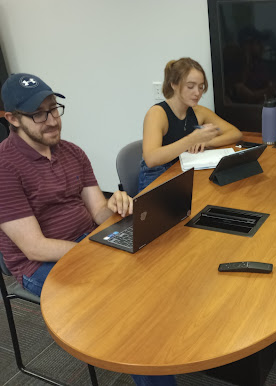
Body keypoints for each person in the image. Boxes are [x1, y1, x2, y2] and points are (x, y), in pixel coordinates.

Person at [0, 73, 175, 386]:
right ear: (12, 118)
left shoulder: (72, 152)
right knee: (121, 308)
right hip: (39, 265)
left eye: (54, 109)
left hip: (86, 241)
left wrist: (116, 204)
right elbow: (34, 248)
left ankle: (166, 345)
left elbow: (97, 212)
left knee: (157, 264)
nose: (52, 120)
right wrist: (100, 250)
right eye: (39, 114)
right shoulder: (5, 167)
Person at [138, 57, 243, 191]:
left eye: (201, 87)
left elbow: (235, 133)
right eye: (190, 86)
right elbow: (151, 159)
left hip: (183, 173)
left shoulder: (198, 112)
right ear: (174, 84)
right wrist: (192, 139)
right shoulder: (157, 114)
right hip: (156, 180)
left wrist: (206, 143)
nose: (197, 93)